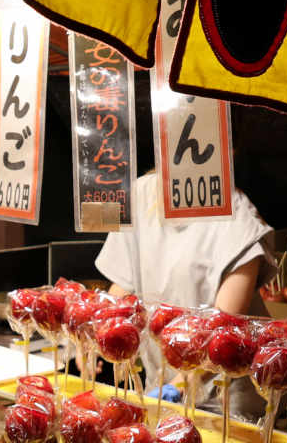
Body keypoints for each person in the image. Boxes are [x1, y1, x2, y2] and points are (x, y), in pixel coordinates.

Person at [94, 170, 274, 411]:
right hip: (161, 386)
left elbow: (222, 332)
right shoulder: (140, 194)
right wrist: (98, 338)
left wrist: (177, 387)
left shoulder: (237, 214)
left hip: (224, 401)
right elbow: (122, 288)